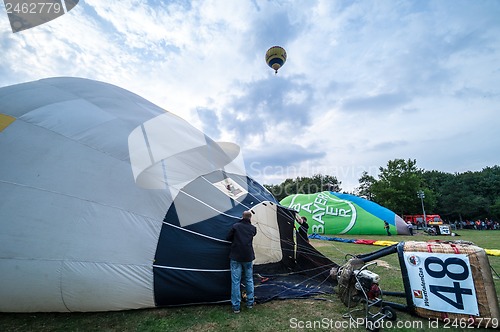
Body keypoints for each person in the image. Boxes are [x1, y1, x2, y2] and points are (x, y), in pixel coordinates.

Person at [226, 210, 257, 314]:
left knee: (235, 281)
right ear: (250, 218)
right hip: (248, 257)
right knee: (249, 280)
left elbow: (228, 237)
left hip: (236, 256)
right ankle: (250, 303)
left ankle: (236, 307)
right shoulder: (253, 228)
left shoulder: (236, 226)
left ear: (242, 217)